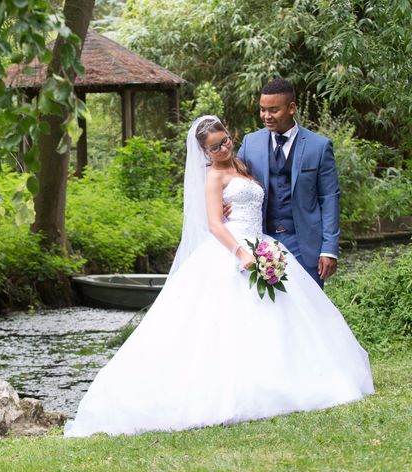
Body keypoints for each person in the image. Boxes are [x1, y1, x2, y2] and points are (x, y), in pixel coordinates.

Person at [63, 116, 373, 438]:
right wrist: (242, 255)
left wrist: (258, 248)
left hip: (262, 243)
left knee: (280, 317)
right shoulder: (212, 177)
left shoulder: (242, 165)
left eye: (225, 141)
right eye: (215, 147)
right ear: (204, 151)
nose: (224, 148)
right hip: (233, 252)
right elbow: (214, 224)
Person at [237, 79, 339, 288]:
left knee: (310, 311)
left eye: (273, 110)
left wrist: (328, 248)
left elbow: (329, 199)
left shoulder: (319, 147)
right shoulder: (250, 143)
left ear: (292, 108)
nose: (266, 116)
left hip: (306, 246)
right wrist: (222, 203)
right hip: (260, 241)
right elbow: (231, 180)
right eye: (262, 109)